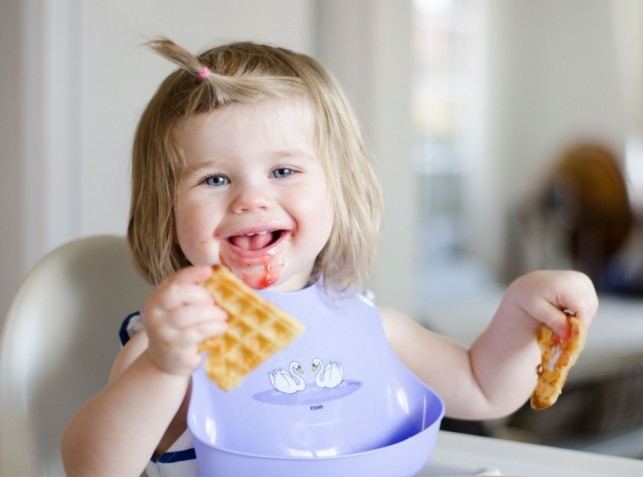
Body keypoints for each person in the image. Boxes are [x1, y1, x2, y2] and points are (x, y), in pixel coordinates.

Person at [61, 38, 598, 477]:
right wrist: (164, 368)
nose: (250, 199)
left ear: (339, 189)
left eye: (283, 171)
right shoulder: (172, 344)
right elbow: (93, 468)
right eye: (215, 179)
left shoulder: (369, 325)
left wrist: (520, 312)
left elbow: (484, 388)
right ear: (167, 209)